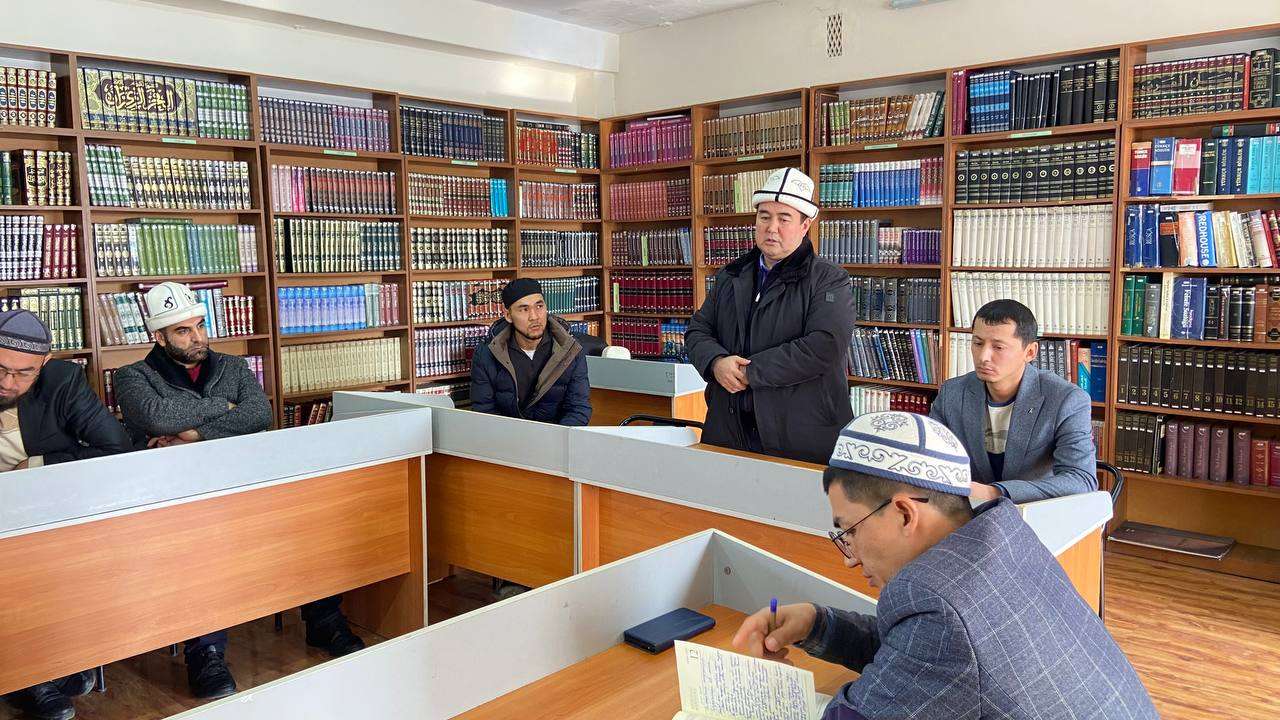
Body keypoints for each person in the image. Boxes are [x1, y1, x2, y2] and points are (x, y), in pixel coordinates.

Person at [732, 411, 1157, 719]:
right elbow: (921, 658)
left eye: (850, 530)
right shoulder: (1001, 537)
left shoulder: (941, 607)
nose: (850, 558)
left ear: (904, 513)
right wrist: (818, 625)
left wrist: (770, 694)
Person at [113, 282, 364, 702]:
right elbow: (156, 417)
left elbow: (259, 413)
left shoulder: (232, 366)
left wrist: (193, 433)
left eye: (200, 326)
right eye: (183, 331)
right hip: (177, 496)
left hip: (242, 482)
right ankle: (206, 652)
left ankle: (323, 619)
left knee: (308, 522)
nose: (197, 338)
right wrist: (222, 408)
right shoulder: (132, 376)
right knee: (198, 548)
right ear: (159, 336)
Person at [0, 309, 132, 720]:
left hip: (39, 508)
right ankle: (33, 677)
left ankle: (49, 663)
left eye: (23, 373)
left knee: (57, 562)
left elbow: (116, 448)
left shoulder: (63, 381)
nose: (7, 383)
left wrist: (38, 465)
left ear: (44, 364)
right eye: (0, 369)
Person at [685, 167, 854, 464]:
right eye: (764, 217)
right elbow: (698, 331)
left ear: (805, 225)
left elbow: (824, 346)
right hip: (729, 431)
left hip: (800, 437)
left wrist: (751, 372)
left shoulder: (829, 279)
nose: (771, 228)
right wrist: (716, 363)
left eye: (784, 218)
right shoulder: (731, 275)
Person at [930, 299, 1097, 503]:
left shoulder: (1067, 400)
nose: (983, 357)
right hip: (966, 511)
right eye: (978, 343)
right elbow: (931, 460)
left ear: (1030, 352)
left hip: (1032, 510)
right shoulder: (952, 393)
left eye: (998, 347)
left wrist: (995, 492)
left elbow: (1081, 480)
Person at [470, 277, 591, 426]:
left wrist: (557, 438)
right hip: (506, 436)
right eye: (524, 309)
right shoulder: (486, 353)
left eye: (539, 306)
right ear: (508, 315)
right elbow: (484, 410)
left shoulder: (571, 350)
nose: (534, 317)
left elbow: (578, 409)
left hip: (556, 435)